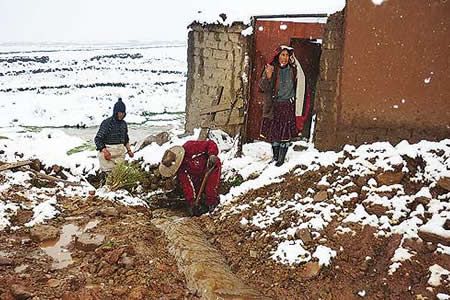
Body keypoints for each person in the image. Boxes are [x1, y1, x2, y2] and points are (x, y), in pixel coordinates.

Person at [259, 45, 310, 166]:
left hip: (288, 105)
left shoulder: (293, 70)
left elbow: (301, 85)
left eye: (287, 55)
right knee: (275, 132)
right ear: (278, 56)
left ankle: (281, 158)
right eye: (283, 55)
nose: (285, 58)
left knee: (285, 133)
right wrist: (268, 76)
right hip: (275, 106)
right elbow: (263, 87)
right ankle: (275, 156)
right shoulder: (272, 69)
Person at [159, 140, 221, 216]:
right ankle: (202, 204)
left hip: (211, 167)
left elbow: (210, 143)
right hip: (197, 175)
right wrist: (192, 202)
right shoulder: (181, 170)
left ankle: (213, 205)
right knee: (198, 191)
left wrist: (212, 154)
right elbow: (187, 185)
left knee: (210, 190)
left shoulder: (190, 146)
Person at [94, 97, 134, 172]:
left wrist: (129, 150)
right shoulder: (107, 123)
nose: (121, 115)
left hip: (120, 154)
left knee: (118, 174)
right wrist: (105, 151)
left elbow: (125, 139)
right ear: (115, 112)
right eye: (119, 112)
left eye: (123, 113)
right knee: (108, 174)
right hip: (108, 153)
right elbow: (98, 139)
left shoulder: (123, 124)